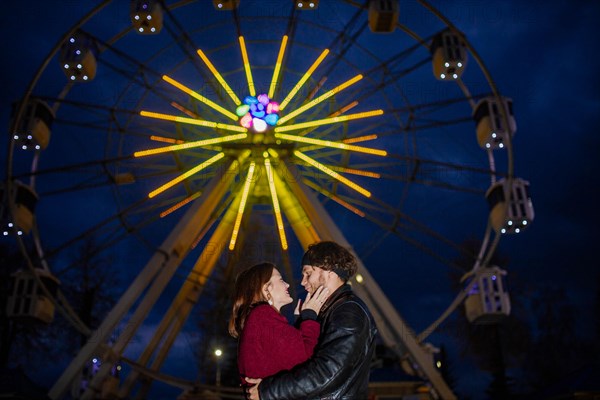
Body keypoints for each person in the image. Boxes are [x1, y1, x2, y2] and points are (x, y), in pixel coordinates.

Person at [246, 241, 378, 400]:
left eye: (308, 273)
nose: (302, 282)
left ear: (330, 272)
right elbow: (305, 361)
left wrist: (269, 391)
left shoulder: (349, 311)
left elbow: (328, 372)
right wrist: (302, 324)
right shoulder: (332, 310)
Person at [228, 262, 329, 384]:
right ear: (266, 289)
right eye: (281, 280)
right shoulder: (263, 315)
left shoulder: (259, 319)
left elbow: (285, 360)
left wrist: (300, 321)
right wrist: (310, 317)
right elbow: (308, 363)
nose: (287, 284)